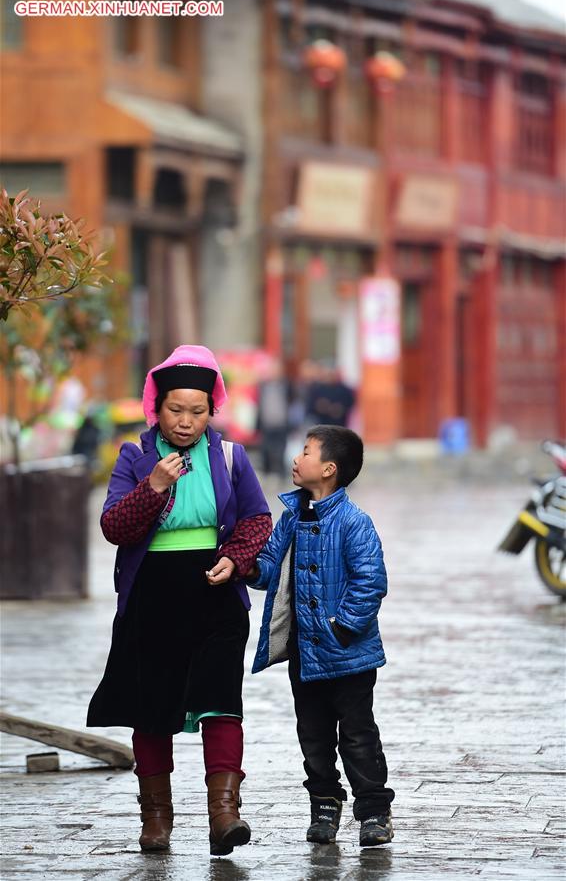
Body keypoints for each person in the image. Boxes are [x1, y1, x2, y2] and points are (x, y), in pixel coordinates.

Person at [87, 345, 272, 856]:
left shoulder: (231, 456)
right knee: (152, 709)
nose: (186, 422)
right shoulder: (134, 457)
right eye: (175, 410)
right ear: (156, 407)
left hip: (214, 595)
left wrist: (235, 559)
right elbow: (114, 527)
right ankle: (156, 819)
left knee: (220, 702)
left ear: (212, 410)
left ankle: (225, 815)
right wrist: (154, 486)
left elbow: (258, 520)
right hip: (153, 598)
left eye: (197, 410)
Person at [246, 425, 394, 847]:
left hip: (348, 654)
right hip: (305, 653)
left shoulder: (353, 522)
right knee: (313, 734)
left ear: (328, 469)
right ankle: (325, 806)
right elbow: (271, 564)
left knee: (357, 734)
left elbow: (370, 581)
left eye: (306, 452)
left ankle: (373, 810)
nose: (296, 459)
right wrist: (248, 568)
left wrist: (342, 627)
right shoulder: (292, 516)